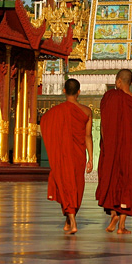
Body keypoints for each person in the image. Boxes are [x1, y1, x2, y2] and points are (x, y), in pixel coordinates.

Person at [95, 68, 132, 234]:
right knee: (128, 183)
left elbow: (103, 125)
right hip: (131, 147)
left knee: (112, 179)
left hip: (111, 146)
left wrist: (105, 145)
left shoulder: (109, 97)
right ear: (130, 83)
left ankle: (113, 215)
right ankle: (122, 226)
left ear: (118, 81)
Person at [41, 78, 93, 234]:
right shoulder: (86, 111)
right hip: (78, 155)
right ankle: (68, 221)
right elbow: (88, 136)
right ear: (79, 92)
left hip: (63, 155)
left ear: (64, 91)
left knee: (66, 185)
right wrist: (91, 158)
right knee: (75, 187)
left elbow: (45, 125)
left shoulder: (55, 112)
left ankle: (73, 222)